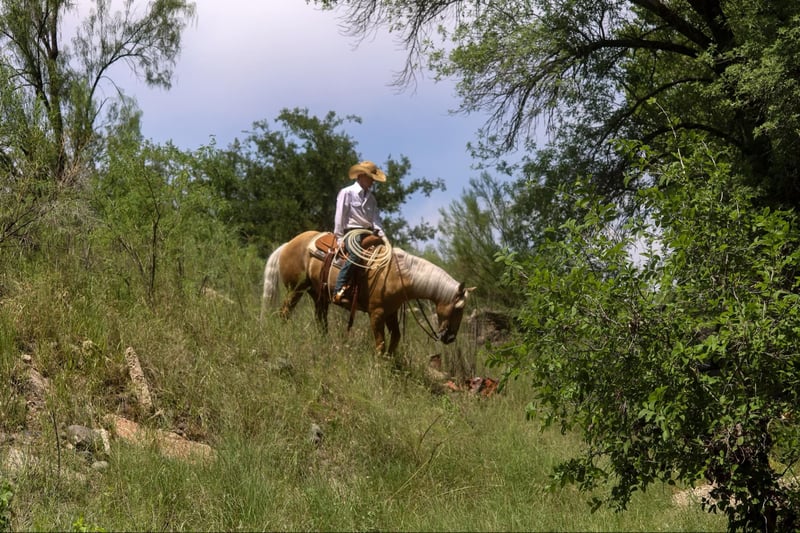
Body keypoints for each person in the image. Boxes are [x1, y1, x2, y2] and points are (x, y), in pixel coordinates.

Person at [332, 160, 387, 303]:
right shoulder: (347, 192)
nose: (373, 182)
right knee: (356, 255)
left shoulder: (371, 199)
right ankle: (338, 289)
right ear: (362, 175)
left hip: (368, 233)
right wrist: (339, 238)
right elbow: (339, 216)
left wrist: (384, 238)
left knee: (384, 255)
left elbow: (376, 221)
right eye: (371, 178)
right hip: (351, 233)